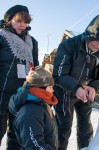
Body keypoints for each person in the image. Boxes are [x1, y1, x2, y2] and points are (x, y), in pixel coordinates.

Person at [52, 14, 99, 150]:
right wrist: (76, 88)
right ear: (90, 34)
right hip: (65, 92)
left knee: (86, 129)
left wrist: (94, 88)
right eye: (97, 40)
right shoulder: (68, 45)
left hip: (85, 93)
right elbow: (58, 75)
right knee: (63, 128)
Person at [0, 5, 39, 149]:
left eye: (26, 22)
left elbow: (35, 67)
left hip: (22, 95)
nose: (23, 25)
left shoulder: (32, 42)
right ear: (9, 20)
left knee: (17, 134)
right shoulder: (2, 36)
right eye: (19, 21)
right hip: (2, 94)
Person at [9, 66, 58, 149]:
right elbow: (34, 146)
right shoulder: (30, 113)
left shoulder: (42, 105)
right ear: (40, 88)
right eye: (50, 87)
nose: (52, 91)